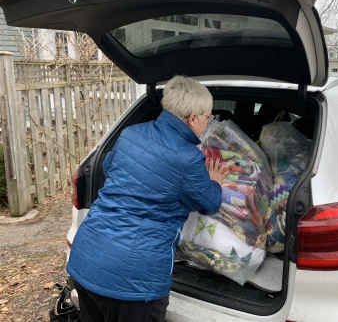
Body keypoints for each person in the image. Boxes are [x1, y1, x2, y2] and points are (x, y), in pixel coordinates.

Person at [66, 75, 228, 322]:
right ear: (193, 118)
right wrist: (214, 181)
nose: (209, 122)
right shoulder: (189, 159)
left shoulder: (131, 133)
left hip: (85, 260)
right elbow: (209, 203)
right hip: (132, 283)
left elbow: (110, 168)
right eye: (208, 117)